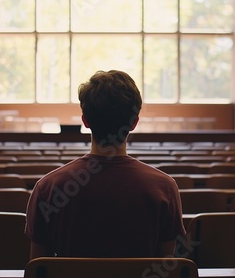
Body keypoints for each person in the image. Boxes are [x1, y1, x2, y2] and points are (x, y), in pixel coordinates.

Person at [25, 70, 185, 259]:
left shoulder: (48, 188)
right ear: (134, 123)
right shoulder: (164, 187)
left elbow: (39, 268)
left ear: (85, 121)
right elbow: (165, 266)